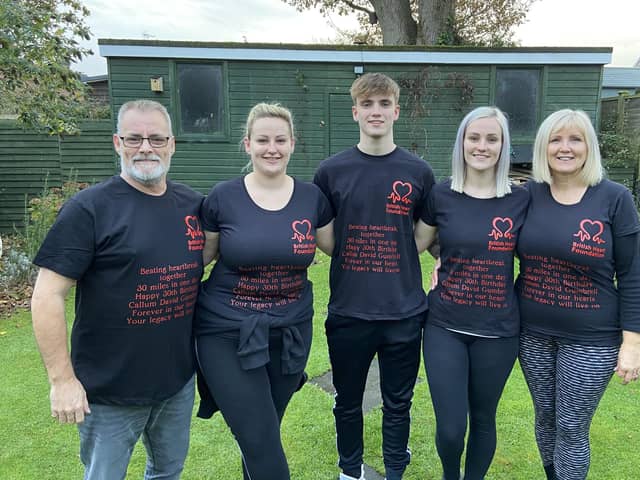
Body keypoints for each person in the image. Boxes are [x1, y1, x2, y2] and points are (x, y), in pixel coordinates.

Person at [30, 99, 204, 479]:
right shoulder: (90, 209)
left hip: (175, 383)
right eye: (134, 138)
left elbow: (209, 259)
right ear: (117, 143)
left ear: (172, 144)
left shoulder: (192, 205)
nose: (145, 147)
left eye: (156, 138)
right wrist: (61, 380)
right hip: (109, 391)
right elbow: (47, 295)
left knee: (167, 472)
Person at [194, 102, 334, 480]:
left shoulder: (312, 199)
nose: (271, 148)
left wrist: (439, 253)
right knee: (260, 437)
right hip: (227, 332)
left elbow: (344, 249)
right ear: (247, 145)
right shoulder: (223, 198)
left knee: (263, 433)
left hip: (290, 333)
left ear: (292, 144)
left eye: (280, 140)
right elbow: (198, 259)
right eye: (262, 140)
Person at [313, 73, 435, 480]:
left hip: (403, 310)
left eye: (384, 104)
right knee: (347, 400)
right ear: (355, 113)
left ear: (396, 111)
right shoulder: (331, 171)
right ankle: (350, 470)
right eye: (368, 105)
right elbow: (327, 240)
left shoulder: (418, 171)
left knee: (398, 401)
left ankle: (396, 467)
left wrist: (392, 253)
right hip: (349, 310)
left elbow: (421, 235)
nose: (376, 111)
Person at [516, 109, 640, 480]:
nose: (565, 148)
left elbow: (633, 273)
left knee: (571, 425)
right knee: (546, 416)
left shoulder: (615, 198)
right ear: (543, 146)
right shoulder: (527, 195)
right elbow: (489, 243)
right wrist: (444, 261)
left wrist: (632, 342)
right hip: (531, 333)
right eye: (556, 139)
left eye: (575, 139)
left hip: (591, 338)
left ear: (589, 146)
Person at [414, 107, 528, 480]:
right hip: (445, 324)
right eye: (474, 137)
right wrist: (441, 256)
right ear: (462, 141)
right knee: (450, 428)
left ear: (503, 145)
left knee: (483, 418)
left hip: (498, 330)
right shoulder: (441, 194)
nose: (482, 146)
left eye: (491, 138)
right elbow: (418, 243)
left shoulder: (521, 199)